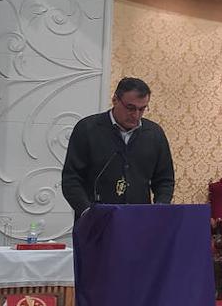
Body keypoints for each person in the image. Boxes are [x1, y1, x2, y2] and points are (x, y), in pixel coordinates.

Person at [61, 77, 175, 219]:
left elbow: (164, 180)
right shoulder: (87, 129)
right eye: (130, 108)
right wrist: (86, 211)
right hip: (95, 221)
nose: (136, 115)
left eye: (142, 109)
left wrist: (160, 208)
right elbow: (71, 179)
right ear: (115, 100)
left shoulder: (154, 133)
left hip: (139, 220)